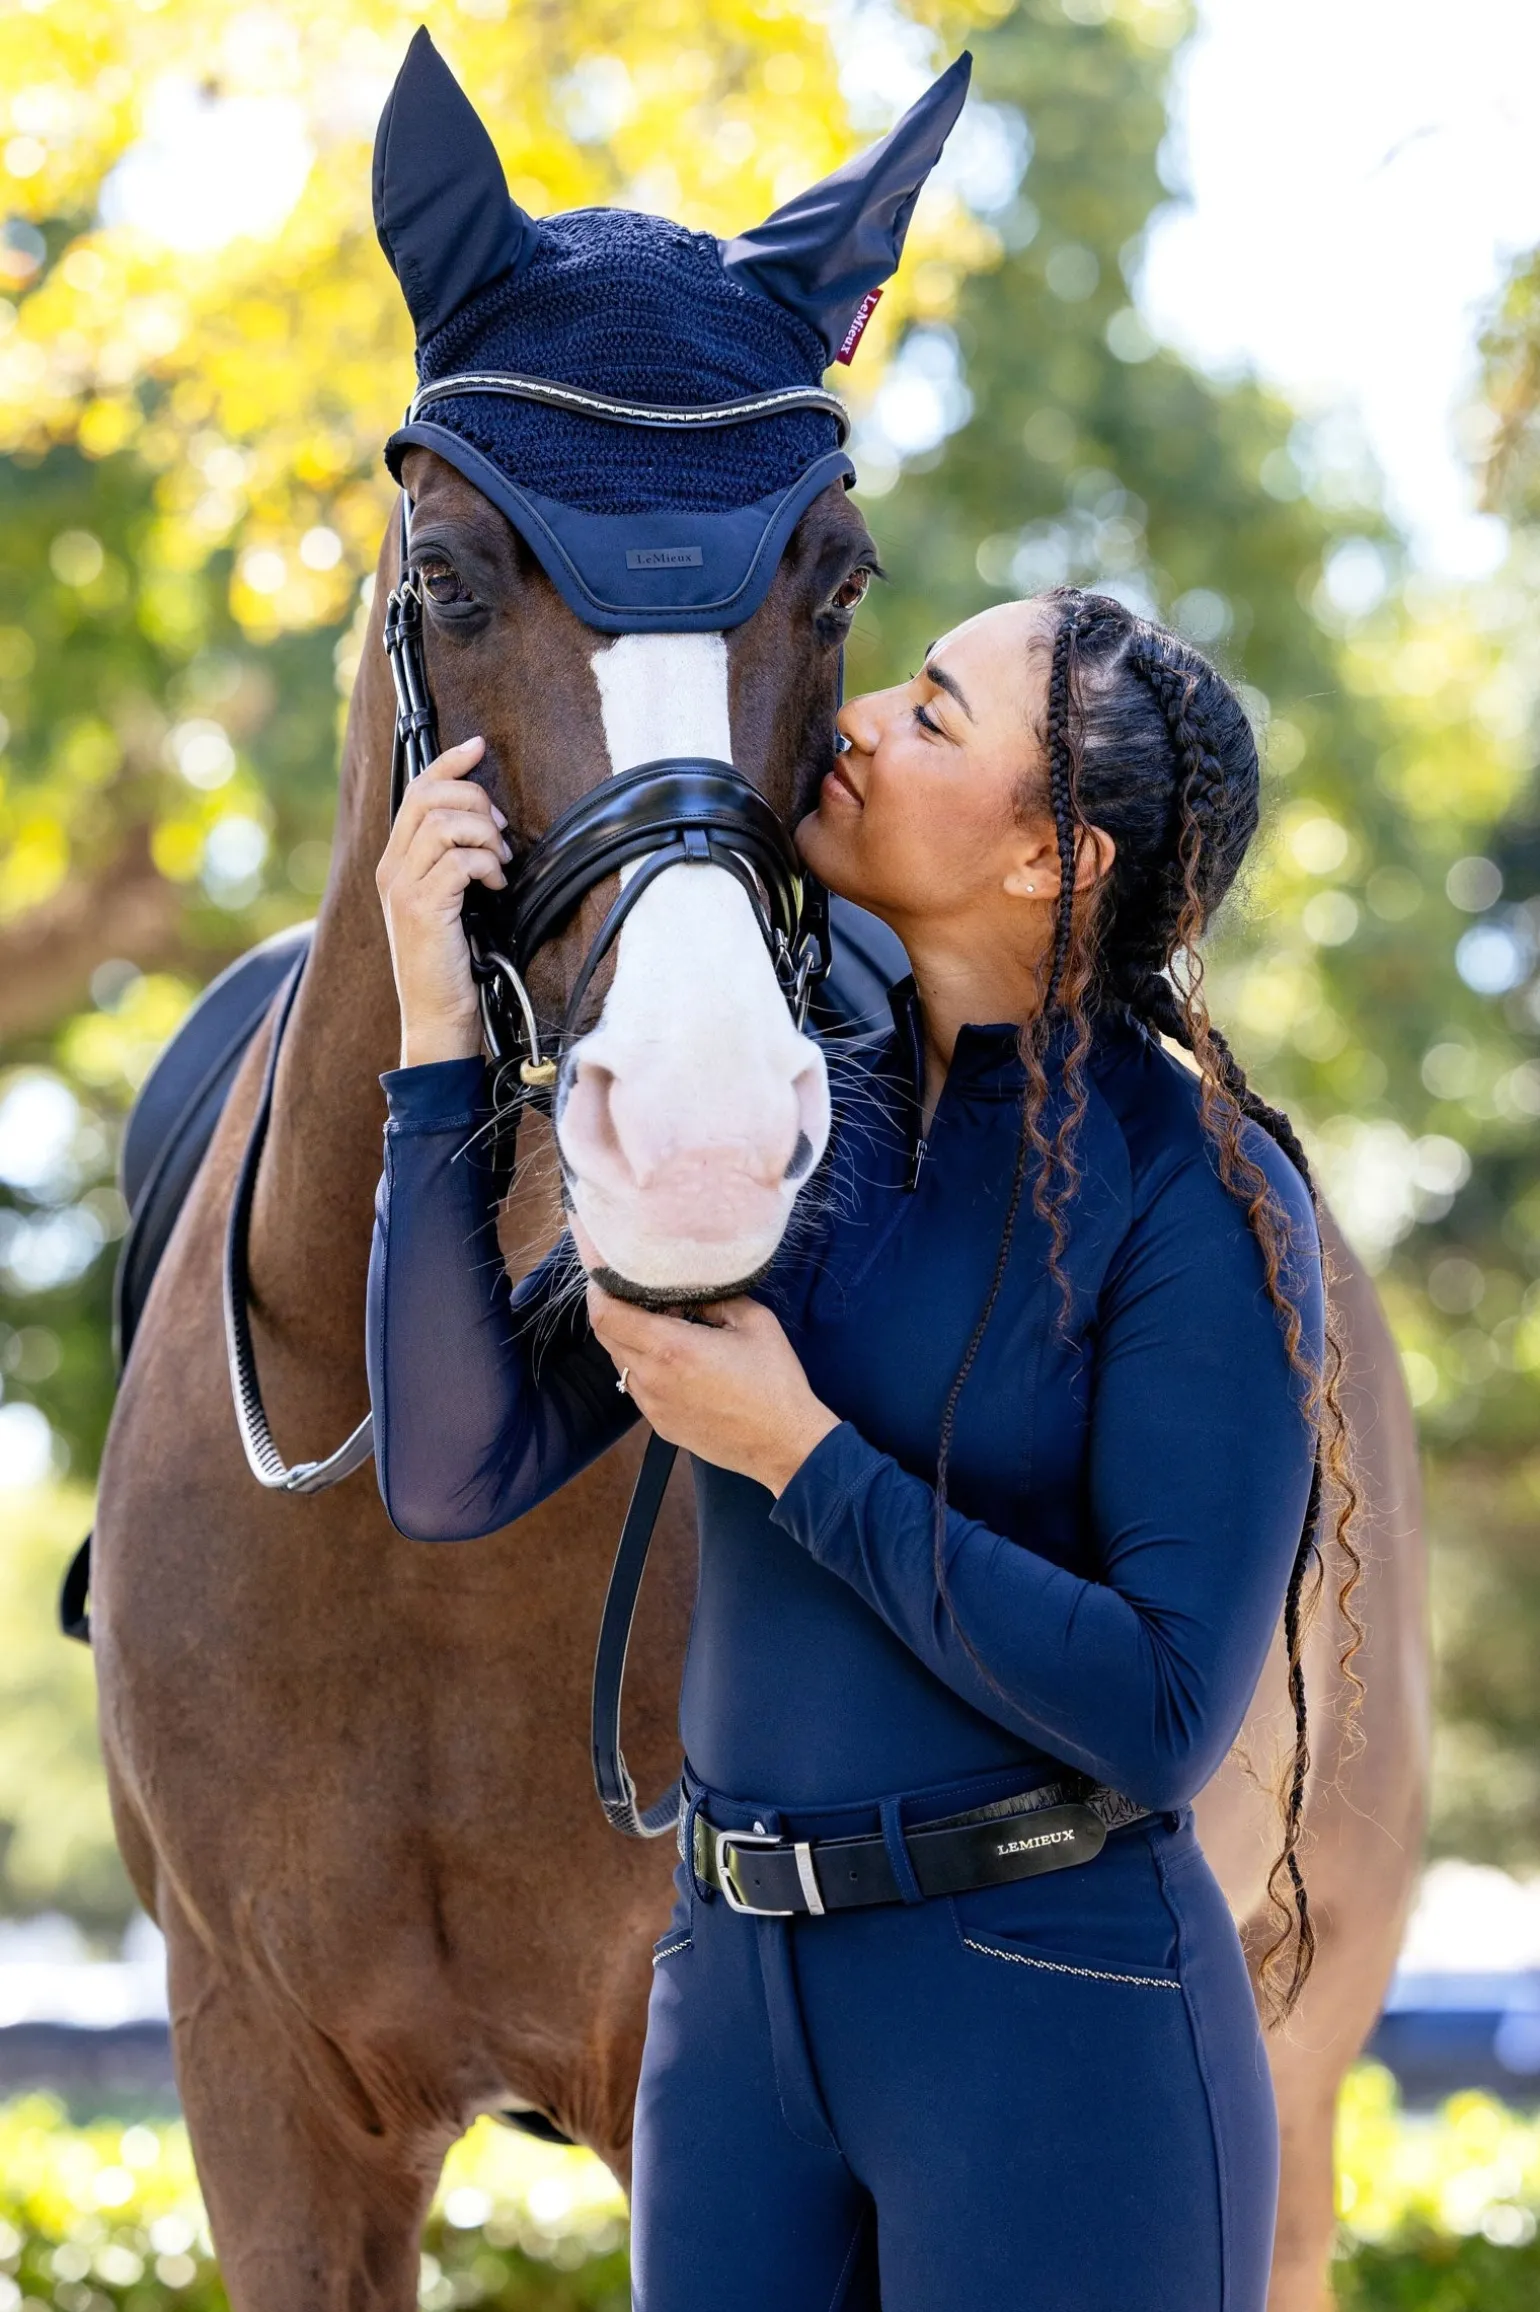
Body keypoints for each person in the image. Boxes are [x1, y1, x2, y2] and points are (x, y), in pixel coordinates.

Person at [368, 584, 1352, 2312]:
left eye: (936, 716)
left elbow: (1168, 1707)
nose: (861, 716)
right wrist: (436, 1035)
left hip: (1051, 2014)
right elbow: (455, 1472)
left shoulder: (1198, 1187)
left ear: (1055, 862)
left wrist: (802, 1455)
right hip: (732, 2009)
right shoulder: (781, 1124)